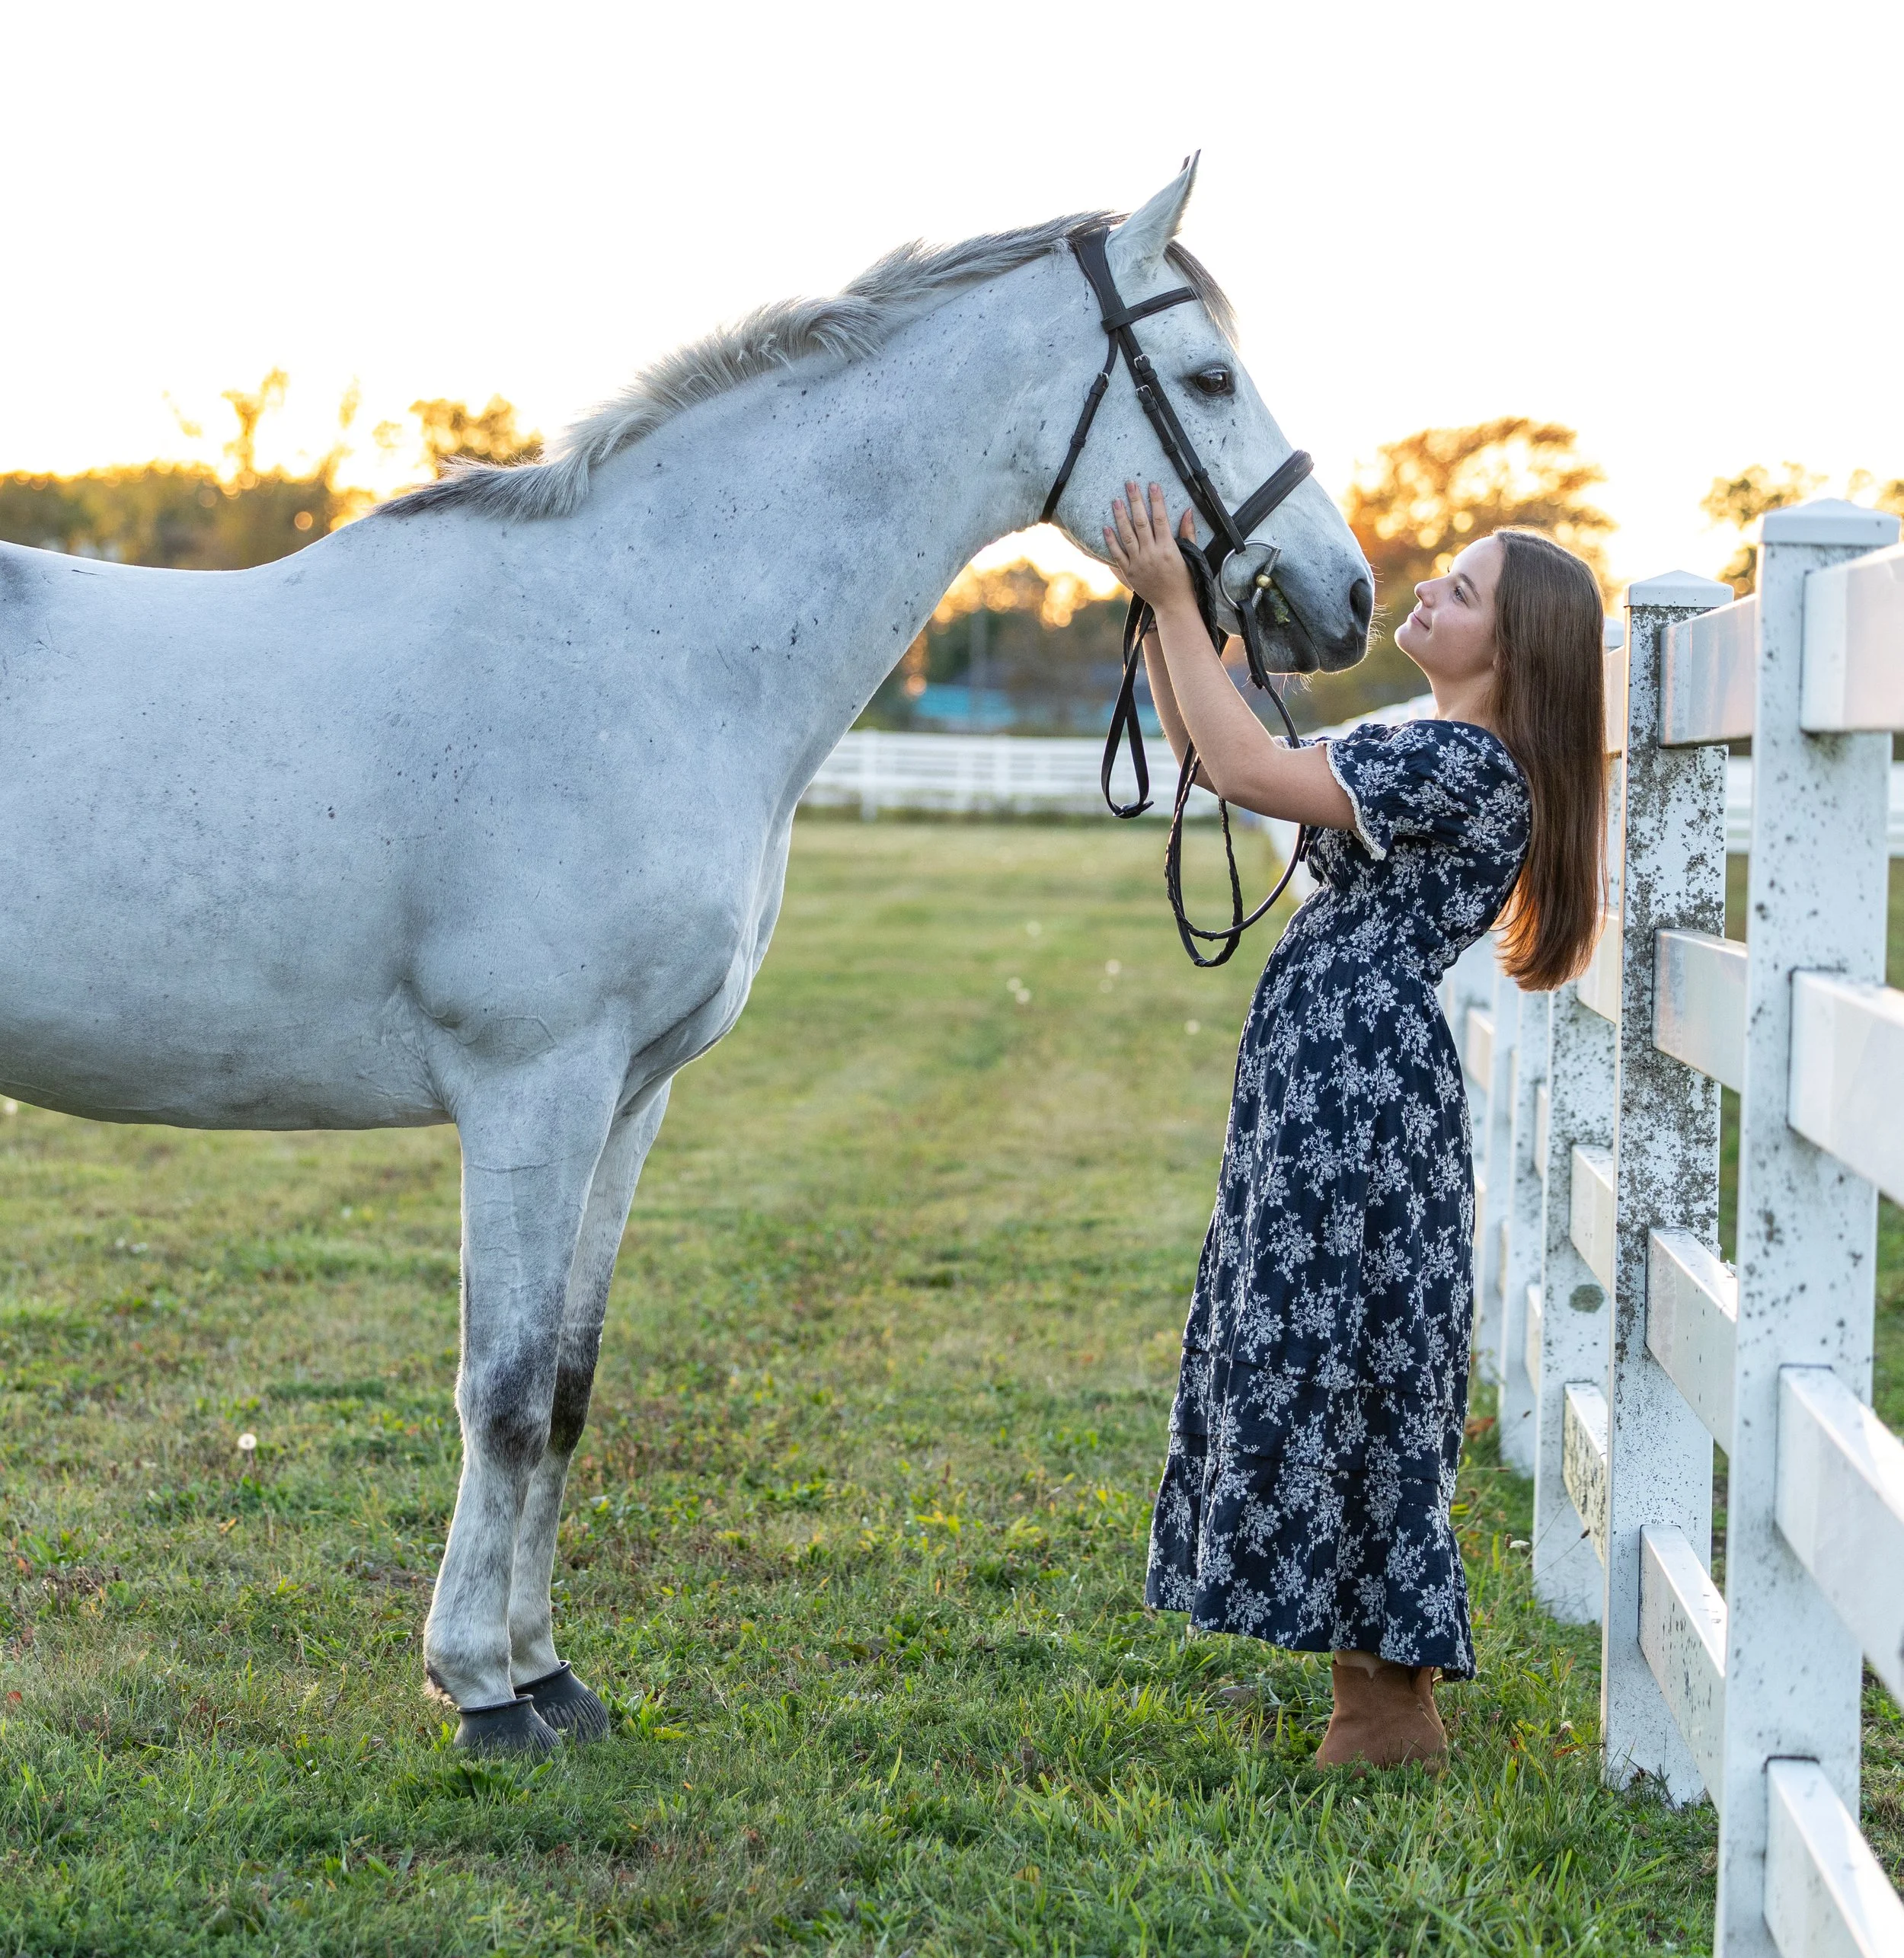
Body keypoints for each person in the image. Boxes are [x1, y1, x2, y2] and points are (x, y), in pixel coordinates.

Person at [1101, 483, 1605, 1769]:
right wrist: (1181, 625)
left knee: (1346, 1350)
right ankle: (1378, 1698)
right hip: (1336, 1074)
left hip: (1357, 1090)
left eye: (1463, 590)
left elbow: (1248, 768)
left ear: (1512, 650)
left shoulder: (1463, 764)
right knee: (1341, 1346)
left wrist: (1172, 605)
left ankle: (1386, 1706)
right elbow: (1215, 754)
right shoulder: (1430, 747)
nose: (1427, 588)